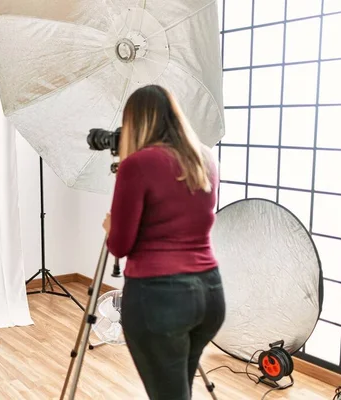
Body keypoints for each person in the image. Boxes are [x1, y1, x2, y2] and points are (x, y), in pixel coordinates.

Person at [102, 85, 226, 399]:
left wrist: (111, 225)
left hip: (160, 299)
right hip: (209, 294)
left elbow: (120, 245)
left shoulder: (138, 165)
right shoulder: (206, 160)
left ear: (136, 123)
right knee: (178, 390)